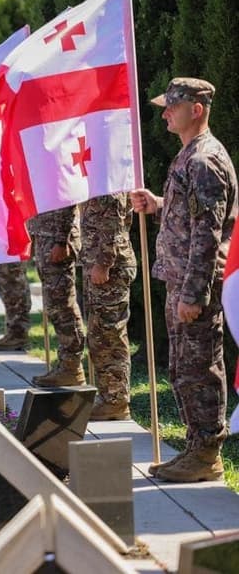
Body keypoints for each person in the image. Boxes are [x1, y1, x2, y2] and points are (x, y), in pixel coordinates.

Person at [132, 77, 236, 482]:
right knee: (183, 369)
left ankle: (207, 453)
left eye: (172, 105)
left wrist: (193, 294)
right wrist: (158, 206)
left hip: (196, 287)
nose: (164, 113)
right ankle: (197, 448)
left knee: (200, 370)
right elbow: (190, 219)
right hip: (182, 282)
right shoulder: (189, 156)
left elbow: (208, 234)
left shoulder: (204, 160)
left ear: (196, 109)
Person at [79, 193, 136, 420]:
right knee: (99, 334)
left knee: (109, 335)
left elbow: (113, 220)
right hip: (101, 266)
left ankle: (116, 400)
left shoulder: (108, 179)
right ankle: (110, 397)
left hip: (110, 269)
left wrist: (104, 263)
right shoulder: (100, 175)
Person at [29, 207, 87, 387]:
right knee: (54, 305)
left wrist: (62, 240)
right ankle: (66, 364)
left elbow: (67, 198)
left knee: (63, 305)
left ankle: (72, 366)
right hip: (45, 234)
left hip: (57, 239)